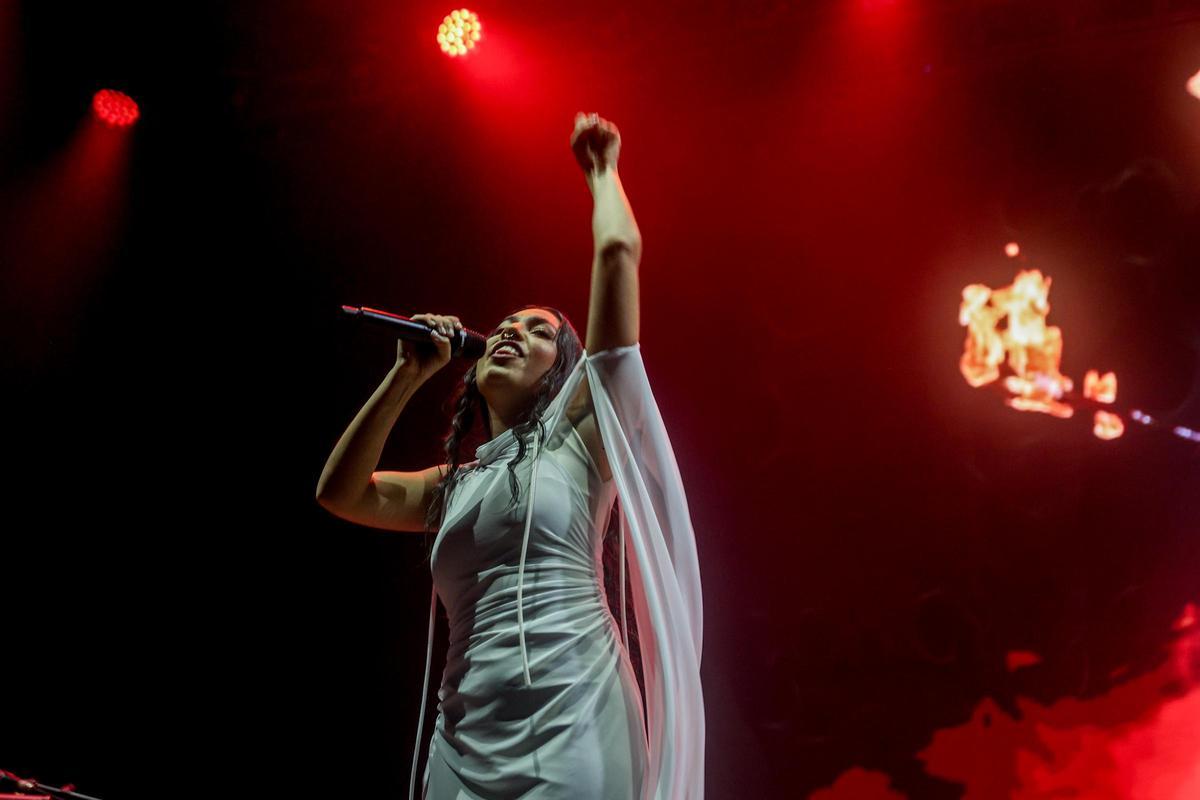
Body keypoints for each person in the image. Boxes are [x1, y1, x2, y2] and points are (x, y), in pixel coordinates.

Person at [315, 113, 704, 799]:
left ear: (567, 371)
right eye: (506, 325)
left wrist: (601, 171)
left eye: (539, 332)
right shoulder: (455, 484)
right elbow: (341, 493)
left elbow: (617, 256)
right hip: (462, 738)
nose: (512, 332)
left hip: (574, 717)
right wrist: (407, 374)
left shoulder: (584, 438)